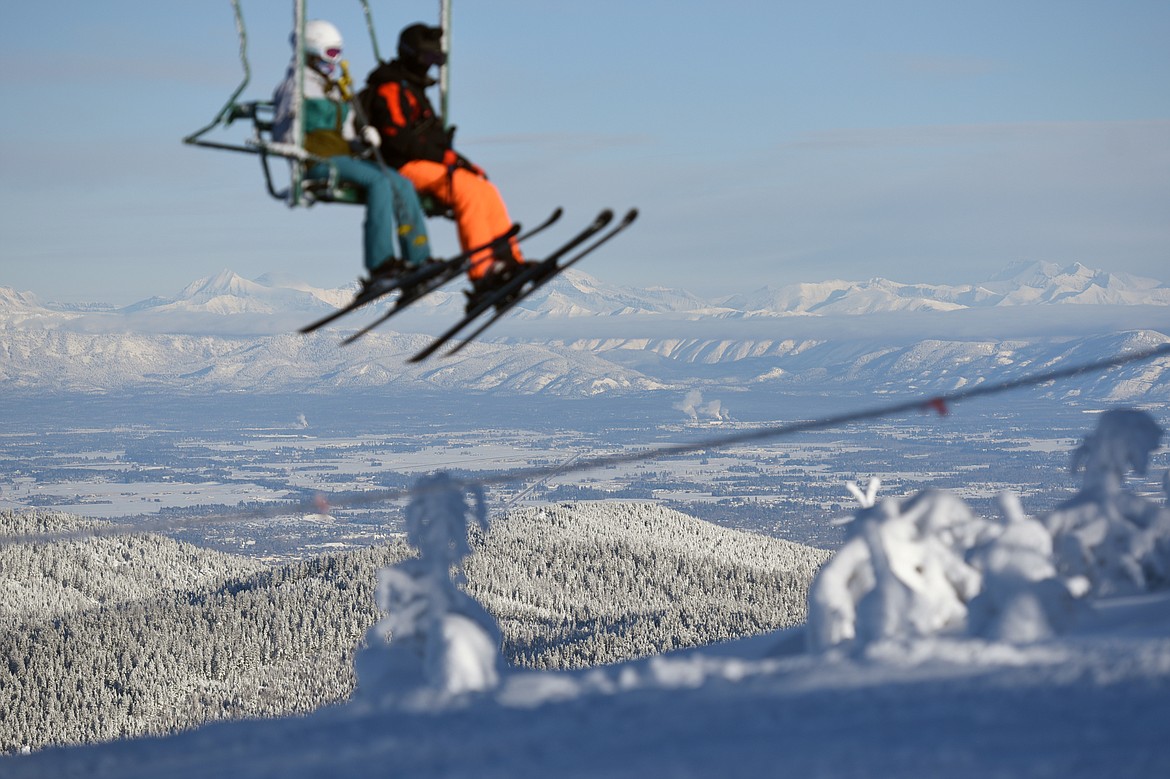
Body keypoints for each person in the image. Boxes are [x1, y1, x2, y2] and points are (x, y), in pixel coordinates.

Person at [360, 23, 525, 310]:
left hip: (426, 163)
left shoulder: (413, 89)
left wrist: (463, 163)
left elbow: (434, 143)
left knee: (485, 188)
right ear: (411, 55)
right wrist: (448, 161)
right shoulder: (390, 88)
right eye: (428, 60)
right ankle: (482, 271)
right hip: (402, 165)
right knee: (466, 191)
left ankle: (508, 261)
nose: (432, 67)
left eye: (437, 61)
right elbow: (398, 140)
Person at [272, 19, 432, 286]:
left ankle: (418, 257)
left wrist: (362, 140)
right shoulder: (295, 88)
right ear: (312, 53)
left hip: (343, 157)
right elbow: (282, 129)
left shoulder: (333, 88)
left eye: (339, 53)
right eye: (330, 54)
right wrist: (295, 157)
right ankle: (381, 263)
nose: (335, 61)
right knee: (379, 181)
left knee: (400, 182)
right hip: (316, 160)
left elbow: (346, 133)